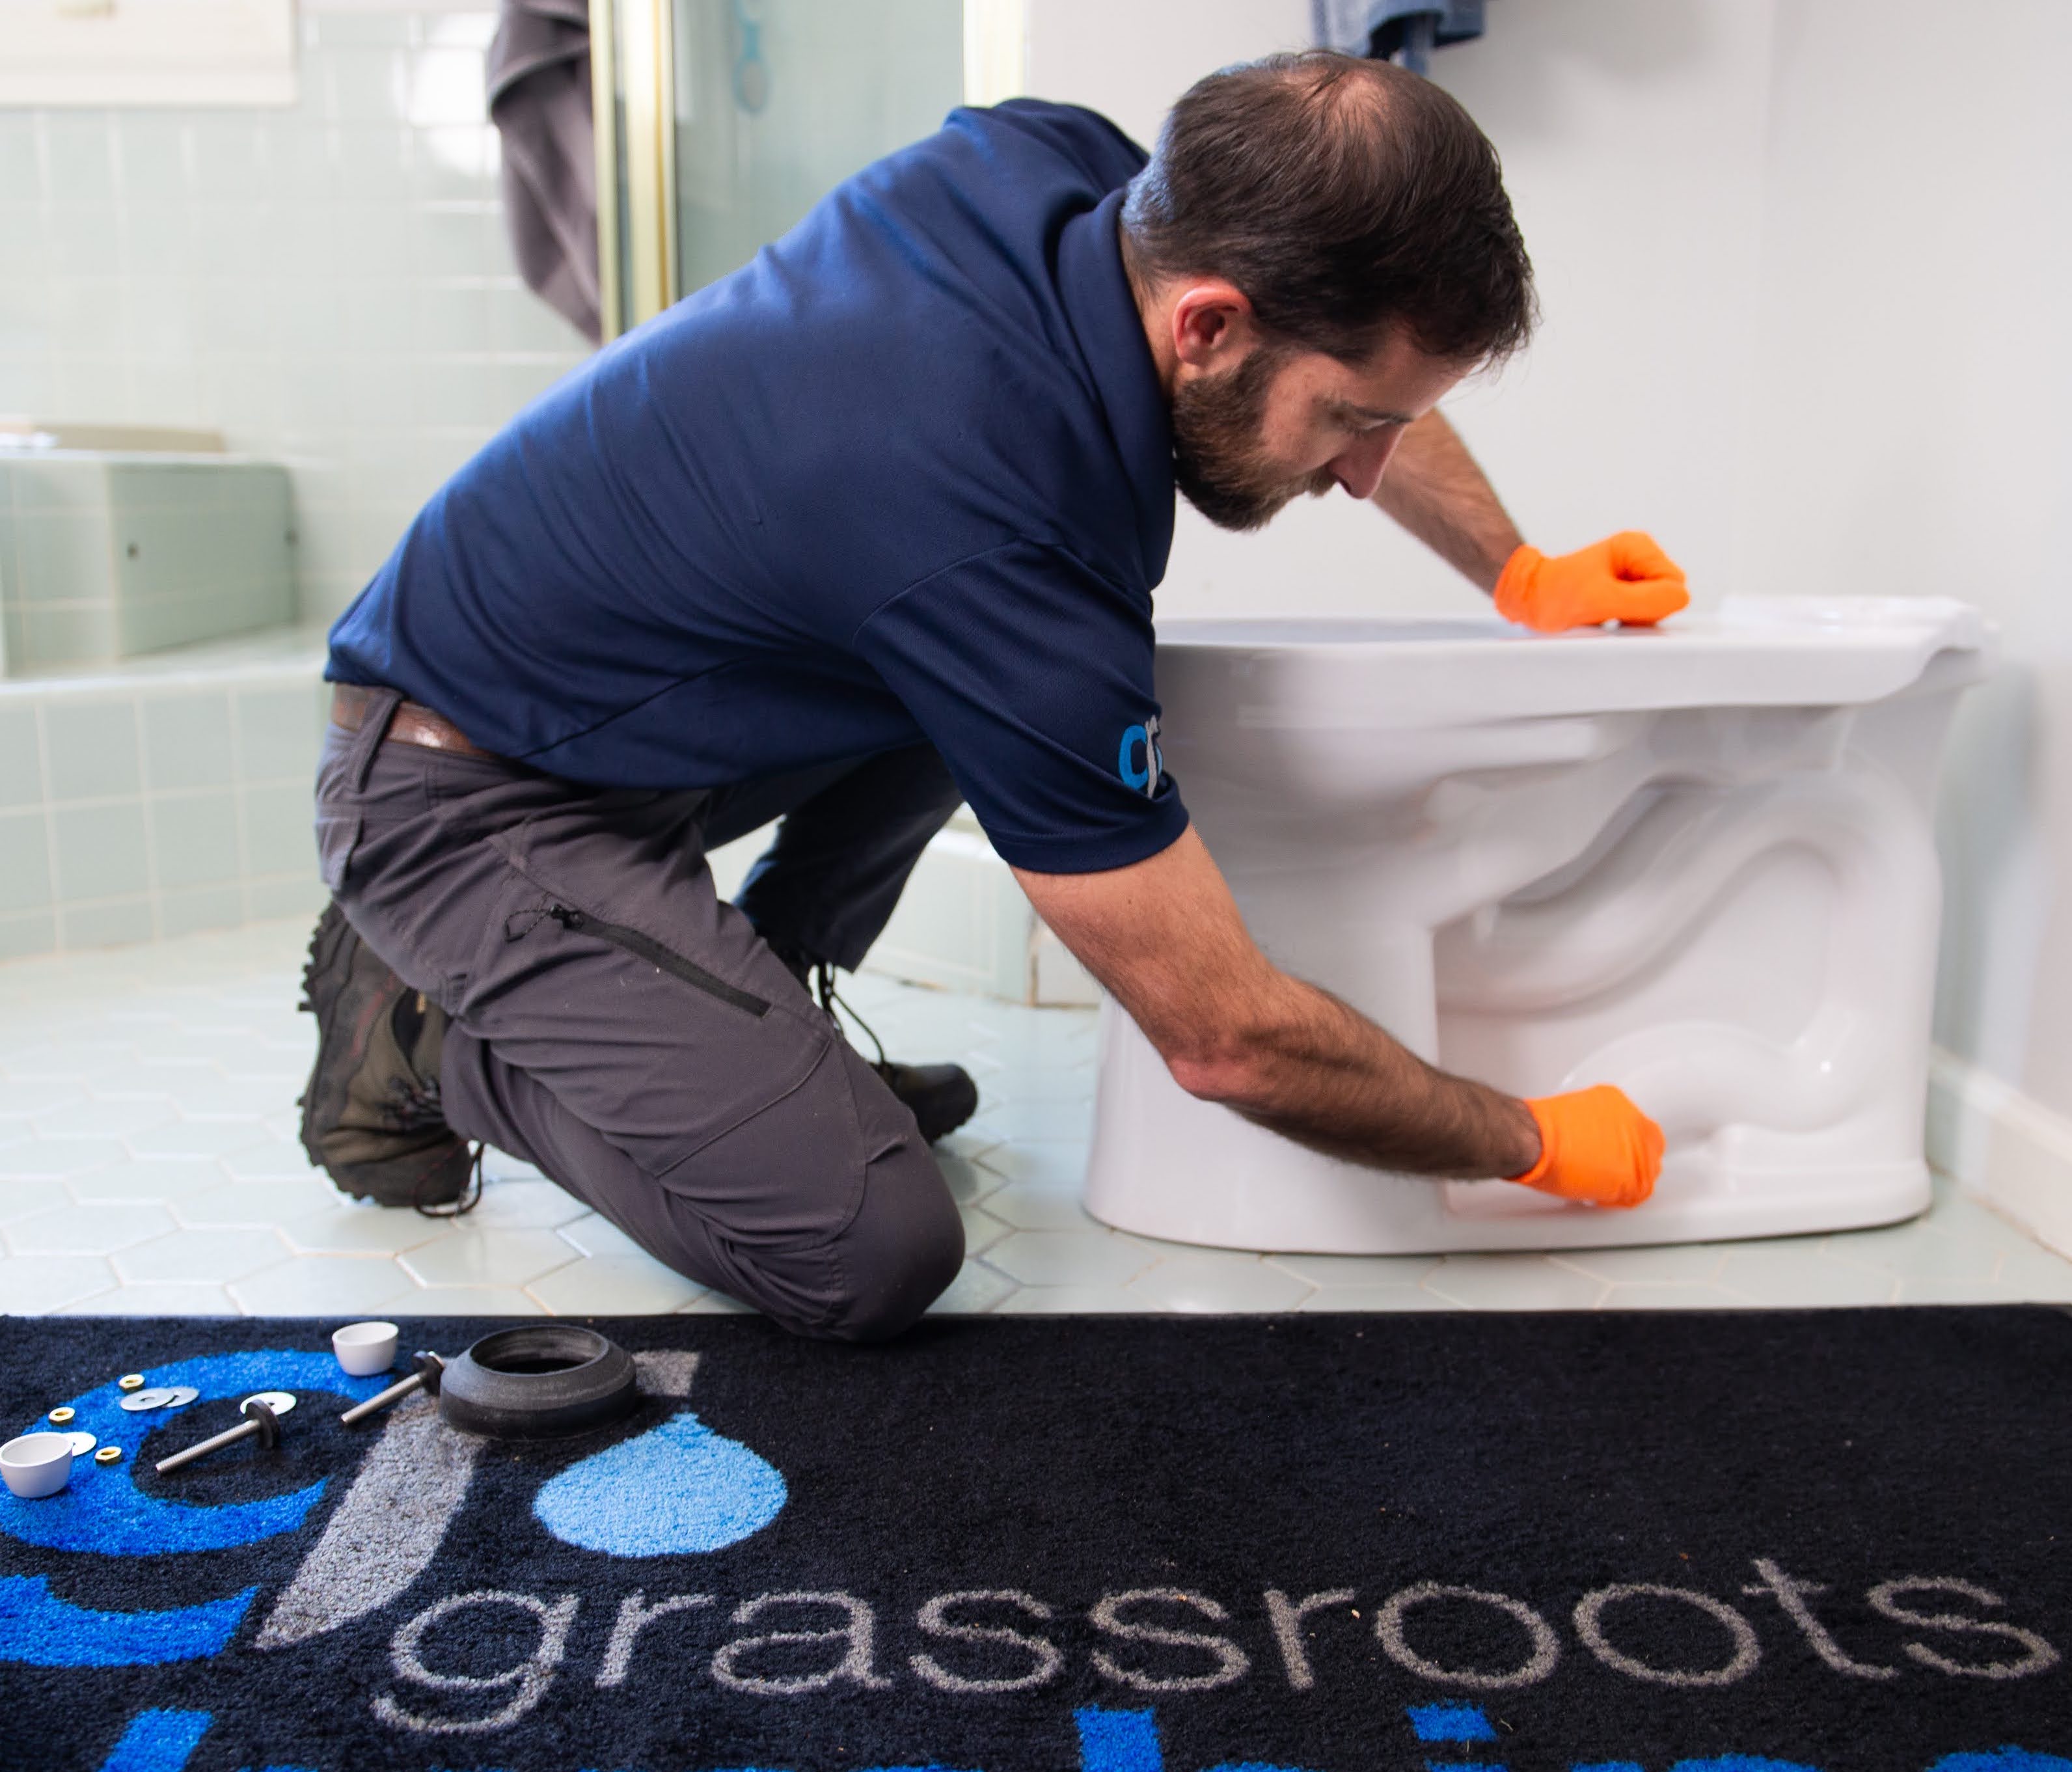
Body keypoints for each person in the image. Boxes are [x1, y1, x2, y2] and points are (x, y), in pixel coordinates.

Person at [301, 50, 1674, 1341]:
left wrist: (1519, 571)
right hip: (460, 794)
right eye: (1352, 424)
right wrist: (1523, 1138)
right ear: (1205, 327)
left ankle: (758, 1010)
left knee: (984, 690)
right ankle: (430, 1040)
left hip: (617, 698)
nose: (1365, 470)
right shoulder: (996, 540)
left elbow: (1330, 329)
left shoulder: (1068, 176)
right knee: (866, 1249)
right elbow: (1227, 1039)